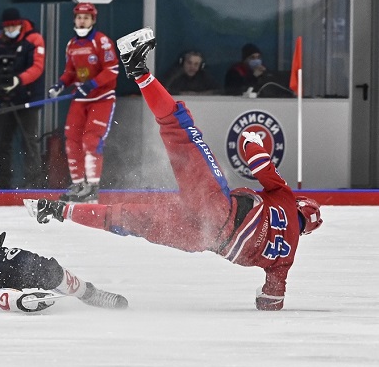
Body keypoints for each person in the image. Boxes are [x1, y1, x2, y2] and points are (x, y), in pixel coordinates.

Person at [28, 28, 323, 311]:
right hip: (203, 239)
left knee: (179, 127)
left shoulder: (285, 198)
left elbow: (256, 160)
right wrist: (263, 295)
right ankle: (57, 210)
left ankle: (138, 69)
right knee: (123, 219)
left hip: (217, 209)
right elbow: (272, 301)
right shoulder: (287, 257)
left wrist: (251, 139)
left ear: (300, 204)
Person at [48, 2, 119, 203]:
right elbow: (70, 72)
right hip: (80, 99)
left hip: (101, 99)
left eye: (86, 17)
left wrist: (91, 84)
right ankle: (78, 184)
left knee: (91, 140)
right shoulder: (71, 45)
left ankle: (92, 187)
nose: (82, 20)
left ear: (93, 20)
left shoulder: (101, 41)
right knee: (71, 140)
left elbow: (112, 70)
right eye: (79, 16)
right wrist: (60, 85)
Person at [0, 7, 45, 189]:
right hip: (6, 99)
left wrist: (19, 80)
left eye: (13, 27)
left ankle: (33, 184)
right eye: (7, 27)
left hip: (27, 99)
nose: (10, 31)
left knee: (29, 142)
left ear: (20, 24)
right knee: (2, 143)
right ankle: (2, 183)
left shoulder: (34, 39)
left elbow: (37, 67)